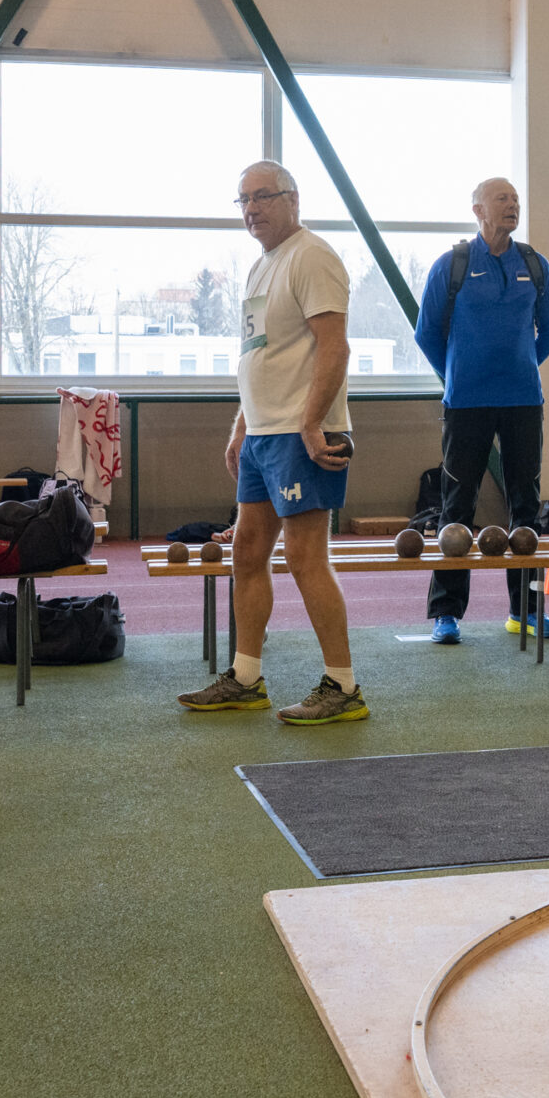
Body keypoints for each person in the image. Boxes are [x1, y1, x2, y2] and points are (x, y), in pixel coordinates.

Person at [178, 161, 366, 725]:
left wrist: (311, 424)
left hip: (300, 434)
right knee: (247, 552)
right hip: (264, 435)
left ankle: (344, 686)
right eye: (244, 200)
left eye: (263, 196)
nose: (252, 209)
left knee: (306, 558)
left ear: (293, 198)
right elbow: (259, 352)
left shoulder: (312, 257)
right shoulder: (262, 266)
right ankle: (245, 678)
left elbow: (334, 348)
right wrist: (243, 425)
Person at [414, 176, 549, 643]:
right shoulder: (452, 264)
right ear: (478, 209)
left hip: (523, 401)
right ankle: (446, 613)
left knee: (526, 507)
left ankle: (525, 611)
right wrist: (459, 373)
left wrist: (518, 366)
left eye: (515, 199)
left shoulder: (535, 265)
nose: (512, 205)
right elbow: (426, 333)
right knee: (456, 507)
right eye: (502, 199)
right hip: (466, 402)